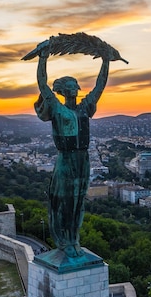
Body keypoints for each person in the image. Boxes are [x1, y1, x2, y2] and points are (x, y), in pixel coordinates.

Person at [34, 47, 112, 257]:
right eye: (70, 85)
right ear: (62, 90)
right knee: (65, 201)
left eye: (75, 84)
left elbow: (99, 86)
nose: (75, 87)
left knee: (78, 201)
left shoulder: (84, 108)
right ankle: (65, 240)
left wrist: (106, 61)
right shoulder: (58, 109)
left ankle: (74, 239)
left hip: (82, 159)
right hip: (66, 159)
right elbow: (42, 83)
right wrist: (43, 58)